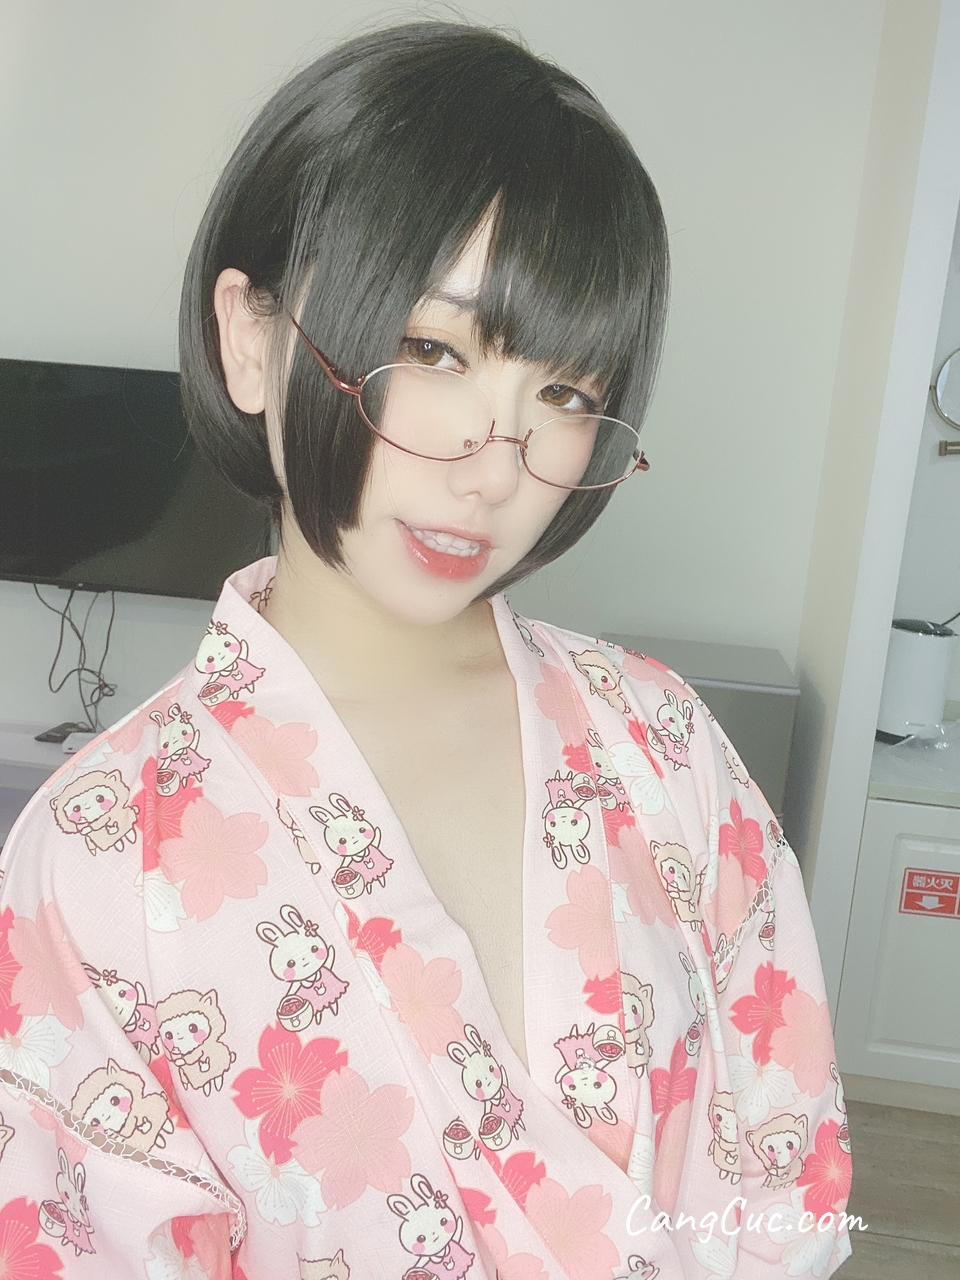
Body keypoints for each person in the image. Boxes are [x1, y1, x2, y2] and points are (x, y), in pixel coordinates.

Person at [0, 21, 853, 1279]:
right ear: (251, 337)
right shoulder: (93, 857)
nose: (495, 467)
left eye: (565, 394)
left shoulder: (666, 742)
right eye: (433, 350)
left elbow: (786, 1178)